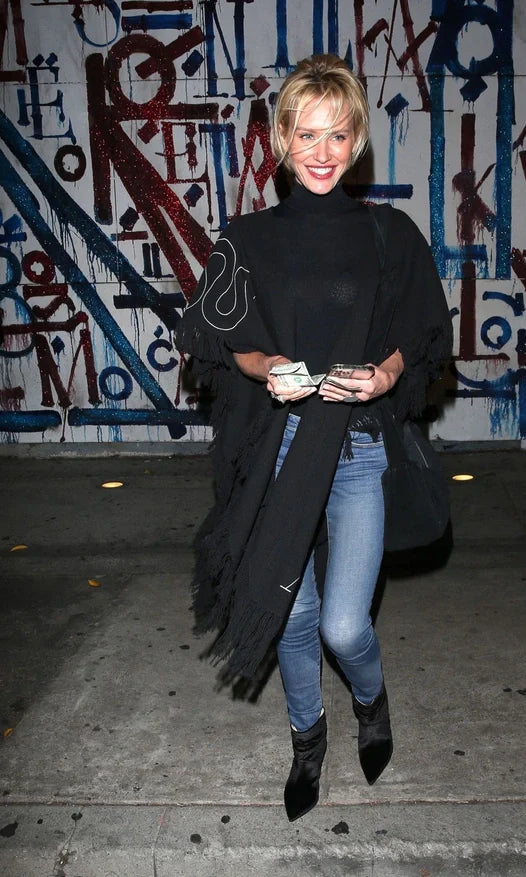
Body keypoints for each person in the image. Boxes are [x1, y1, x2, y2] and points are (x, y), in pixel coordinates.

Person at [176, 54, 452, 822]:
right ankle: (307, 738)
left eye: (337, 134)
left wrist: (386, 375)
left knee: (343, 623)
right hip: (281, 450)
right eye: (307, 134)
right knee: (291, 614)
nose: (322, 152)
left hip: (357, 450)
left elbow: (420, 330)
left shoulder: (389, 235)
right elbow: (224, 337)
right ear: (282, 141)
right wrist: (268, 368)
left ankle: (371, 699)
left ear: (357, 139)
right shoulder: (248, 239)